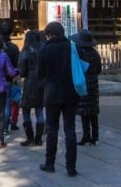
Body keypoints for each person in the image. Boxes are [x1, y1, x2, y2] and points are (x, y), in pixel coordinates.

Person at [37, 21, 80, 177]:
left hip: (52, 93)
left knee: (52, 130)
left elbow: (39, 73)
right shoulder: (72, 47)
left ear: (49, 34)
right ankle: (71, 167)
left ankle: (50, 163)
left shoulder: (45, 49)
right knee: (70, 129)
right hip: (70, 93)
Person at [72, 29, 103, 146]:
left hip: (83, 83)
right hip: (93, 83)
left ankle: (86, 135)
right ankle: (95, 137)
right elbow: (99, 70)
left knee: (84, 112)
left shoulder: (79, 53)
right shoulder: (95, 54)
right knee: (93, 112)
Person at [18, 30, 45, 147]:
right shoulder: (43, 49)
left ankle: (30, 137)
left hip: (29, 82)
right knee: (39, 110)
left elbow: (22, 71)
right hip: (42, 82)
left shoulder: (26, 51)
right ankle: (38, 138)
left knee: (26, 110)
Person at [0, 21, 20, 136]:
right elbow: (17, 64)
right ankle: (5, 127)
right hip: (8, 77)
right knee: (6, 103)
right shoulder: (13, 47)